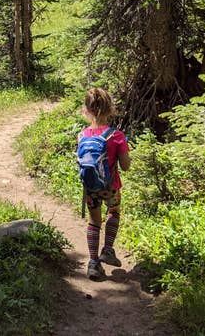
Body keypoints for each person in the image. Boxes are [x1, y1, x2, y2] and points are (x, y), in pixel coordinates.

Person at [79, 87, 131, 280]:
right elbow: (125, 166)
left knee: (93, 222)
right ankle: (108, 250)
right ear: (110, 109)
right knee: (114, 212)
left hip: (90, 188)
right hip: (110, 187)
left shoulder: (82, 135)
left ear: (87, 110)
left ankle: (93, 263)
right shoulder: (116, 136)